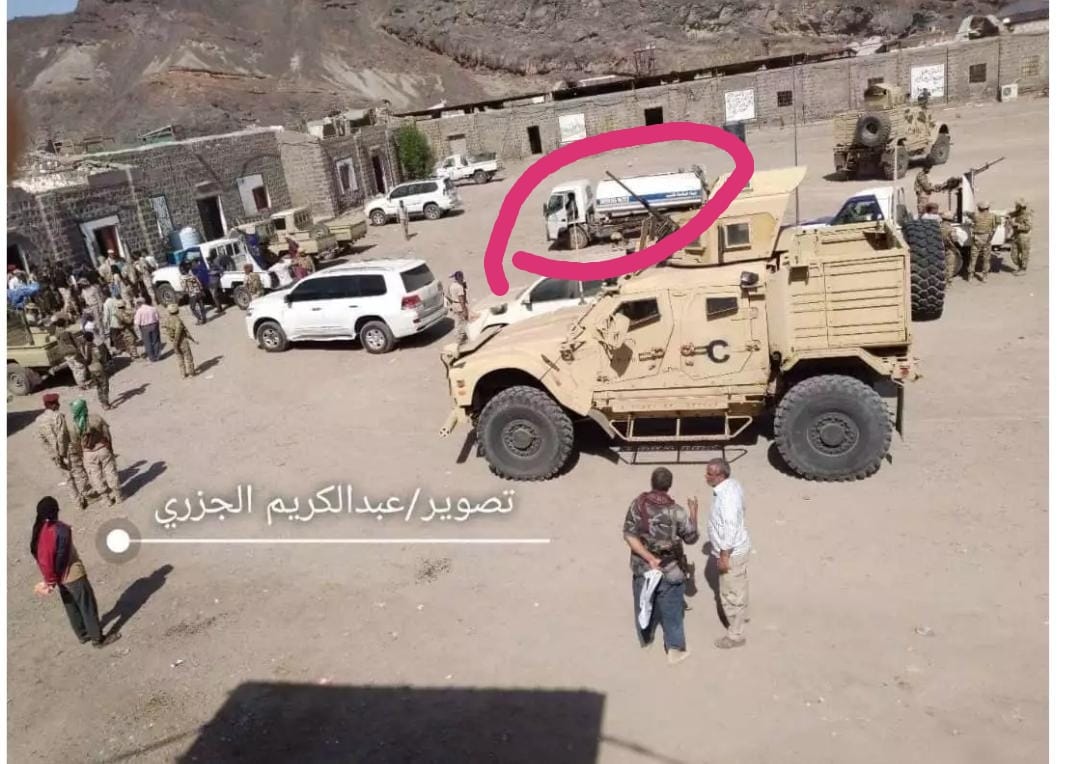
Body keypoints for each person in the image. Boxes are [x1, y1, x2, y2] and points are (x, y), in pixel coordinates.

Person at [623, 467, 699, 665]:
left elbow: (629, 535)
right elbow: (691, 538)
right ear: (669, 485)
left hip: (642, 568)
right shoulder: (677, 512)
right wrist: (693, 512)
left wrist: (648, 558)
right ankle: (674, 650)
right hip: (668, 569)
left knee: (643, 604)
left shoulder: (637, 504)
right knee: (672, 611)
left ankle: (646, 640)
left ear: (652, 482)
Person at [31, 496, 119, 647]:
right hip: (72, 574)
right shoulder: (61, 530)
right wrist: (53, 580)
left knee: (71, 606)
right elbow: (61, 557)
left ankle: (82, 634)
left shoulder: (38, 530)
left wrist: (51, 580)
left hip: (59, 578)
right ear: (55, 511)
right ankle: (98, 639)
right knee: (87, 605)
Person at [705, 457, 751, 649]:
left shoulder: (727, 497)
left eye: (710, 474)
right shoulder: (731, 486)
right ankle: (741, 617)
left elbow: (730, 527)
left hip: (732, 553)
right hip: (736, 549)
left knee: (730, 594)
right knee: (738, 587)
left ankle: (735, 635)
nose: (706, 476)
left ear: (721, 475)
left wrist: (724, 555)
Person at [36, 393, 90, 509]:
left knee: (68, 478)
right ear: (52, 405)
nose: (59, 404)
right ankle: (84, 495)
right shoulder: (58, 416)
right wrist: (61, 453)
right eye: (57, 403)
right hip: (67, 451)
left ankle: (77, 503)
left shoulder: (39, 420)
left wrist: (53, 454)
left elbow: (42, 440)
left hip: (55, 455)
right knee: (80, 473)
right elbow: (61, 436)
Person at [70, 399, 120, 505]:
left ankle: (106, 499)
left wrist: (82, 454)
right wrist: (110, 447)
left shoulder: (74, 426)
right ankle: (118, 496)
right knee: (110, 471)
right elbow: (106, 433)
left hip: (88, 454)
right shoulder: (96, 418)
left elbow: (75, 444)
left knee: (95, 476)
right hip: (103, 449)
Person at [923, 202, 961, 286]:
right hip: (949, 249)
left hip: (939, 248)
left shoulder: (938, 227)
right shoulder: (951, 229)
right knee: (950, 265)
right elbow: (954, 239)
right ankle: (948, 282)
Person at [966, 200, 999, 283]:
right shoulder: (992, 216)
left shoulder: (975, 215)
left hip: (976, 239)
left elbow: (968, 214)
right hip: (987, 239)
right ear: (988, 208)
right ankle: (985, 277)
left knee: (973, 258)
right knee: (986, 259)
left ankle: (970, 276)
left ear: (979, 208)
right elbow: (998, 223)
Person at [162, 303, 197, 378]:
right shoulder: (178, 320)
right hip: (182, 341)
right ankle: (191, 373)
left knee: (180, 358)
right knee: (188, 357)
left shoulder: (167, 320)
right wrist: (177, 341)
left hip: (173, 341)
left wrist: (173, 342)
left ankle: (183, 374)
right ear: (177, 311)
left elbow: (165, 330)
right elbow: (180, 331)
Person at [82, 331, 111, 410]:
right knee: (104, 384)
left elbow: (85, 358)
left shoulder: (83, 346)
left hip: (90, 368)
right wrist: (104, 363)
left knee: (98, 385)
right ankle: (105, 403)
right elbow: (99, 356)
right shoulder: (93, 346)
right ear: (92, 337)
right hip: (97, 366)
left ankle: (102, 401)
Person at [134, 297, 161, 361]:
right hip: (154, 325)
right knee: (156, 341)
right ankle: (157, 356)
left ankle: (152, 358)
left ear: (139, 303)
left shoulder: (139, 311)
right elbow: (157, 318)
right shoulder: (153, 308)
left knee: (147, 343)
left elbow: (137, 322)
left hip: (144, 328)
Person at [1009, 198, 1032, 276]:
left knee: (1024, 253)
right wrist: (1008, 216)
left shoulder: (1027, 215)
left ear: (1021, 207)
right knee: (1014, 255)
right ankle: (1020, 267)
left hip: (1024, 237)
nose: (1015, 206)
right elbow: (1011, 214)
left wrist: (1017, 226)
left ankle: (1023, 269)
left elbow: (1028, 227)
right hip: (1016, 236)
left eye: (1017, 205)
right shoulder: (1018, 212)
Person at [447, 271, 469, 344]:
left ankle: (458, 336)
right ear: (460, 277)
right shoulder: (459, 287)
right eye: (462, 277)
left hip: (454, 304)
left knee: (457, 321)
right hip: (459, 305)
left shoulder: (452, 285)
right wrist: (464, 310)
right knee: (462, 322)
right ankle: (460, 339)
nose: (463, 278)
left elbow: (448, 295)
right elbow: (461, 299)